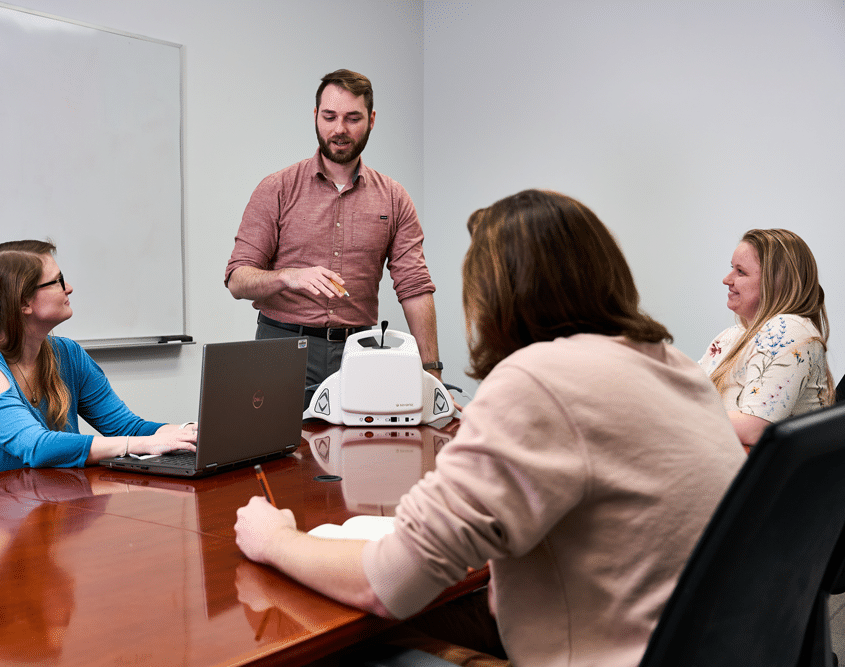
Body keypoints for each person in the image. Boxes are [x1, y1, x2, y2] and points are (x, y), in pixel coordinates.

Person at [235, 190, 745, 667]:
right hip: (700, 645)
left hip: (602, 652)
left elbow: (388, 585)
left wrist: (275, 539)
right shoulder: (673, 365)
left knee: (338, 644)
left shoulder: (537, 380)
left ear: (498, 297)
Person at [225, 69, 443, 403]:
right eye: (330, 117)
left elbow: (415, 287)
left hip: (360, 353)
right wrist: (288, 277)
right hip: (281, 349)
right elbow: (238, 280)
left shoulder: (395, 198)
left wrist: (432, 374)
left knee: (360, 453)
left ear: (371, 120)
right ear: (316, 117)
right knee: (275, 453)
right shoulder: (277, 189)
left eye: (352, 118)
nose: (339, 129)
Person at [0, 240, 197, 482]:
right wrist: (135, 445)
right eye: (57, 281)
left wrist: (189, 433)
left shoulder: (67, 354)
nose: (68, 288)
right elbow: (36, 446)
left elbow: (128, 428)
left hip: (38, 504)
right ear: (23, 302)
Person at [699, 228, 834, 450]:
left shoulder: (789, 329)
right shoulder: (730, 337)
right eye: (731, 269)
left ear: (776, 281)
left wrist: (677, 415)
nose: (727, 279)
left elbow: (755, 428)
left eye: (740, 272)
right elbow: (690, 395)